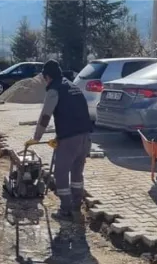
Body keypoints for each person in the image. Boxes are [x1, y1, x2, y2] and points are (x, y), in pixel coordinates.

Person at [27, 60, 93, 220]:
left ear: (48, 77)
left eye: (45, 79)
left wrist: (36, 138)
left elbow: (45, 116)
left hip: (70, 138)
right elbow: (73, 112)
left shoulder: (54, 90)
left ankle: (66, 209)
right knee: (77, 173)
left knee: (60, 173)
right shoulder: (72, 86)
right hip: (86, 136)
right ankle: (77, 205)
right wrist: (58, 137)